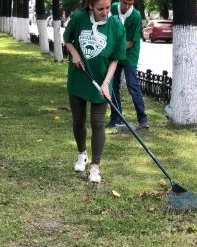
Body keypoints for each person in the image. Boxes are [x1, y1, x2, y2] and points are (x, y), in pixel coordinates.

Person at [63, 0, 126, 183]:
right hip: (79, 78)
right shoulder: (79, 18)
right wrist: (74, 53)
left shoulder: (116, 25)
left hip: (101, 82)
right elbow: (67, 39)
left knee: (98, 123)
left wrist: (106, 83)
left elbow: (115, 58)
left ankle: (95, 168)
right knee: (78, 120)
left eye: (107, 7)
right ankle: (82, 154)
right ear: (91, 6)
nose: (105, 12)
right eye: (100, 8)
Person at [107, 0, 149, 129]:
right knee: (113, 86)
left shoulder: (135, 16)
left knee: (132, 85)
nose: (127, 6)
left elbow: (130, 42)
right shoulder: (113, 8)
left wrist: (113, 49)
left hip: (130, 54)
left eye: (130, 4)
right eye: (125, 3)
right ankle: (115, 118)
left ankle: (142, 118)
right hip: (116, 52)